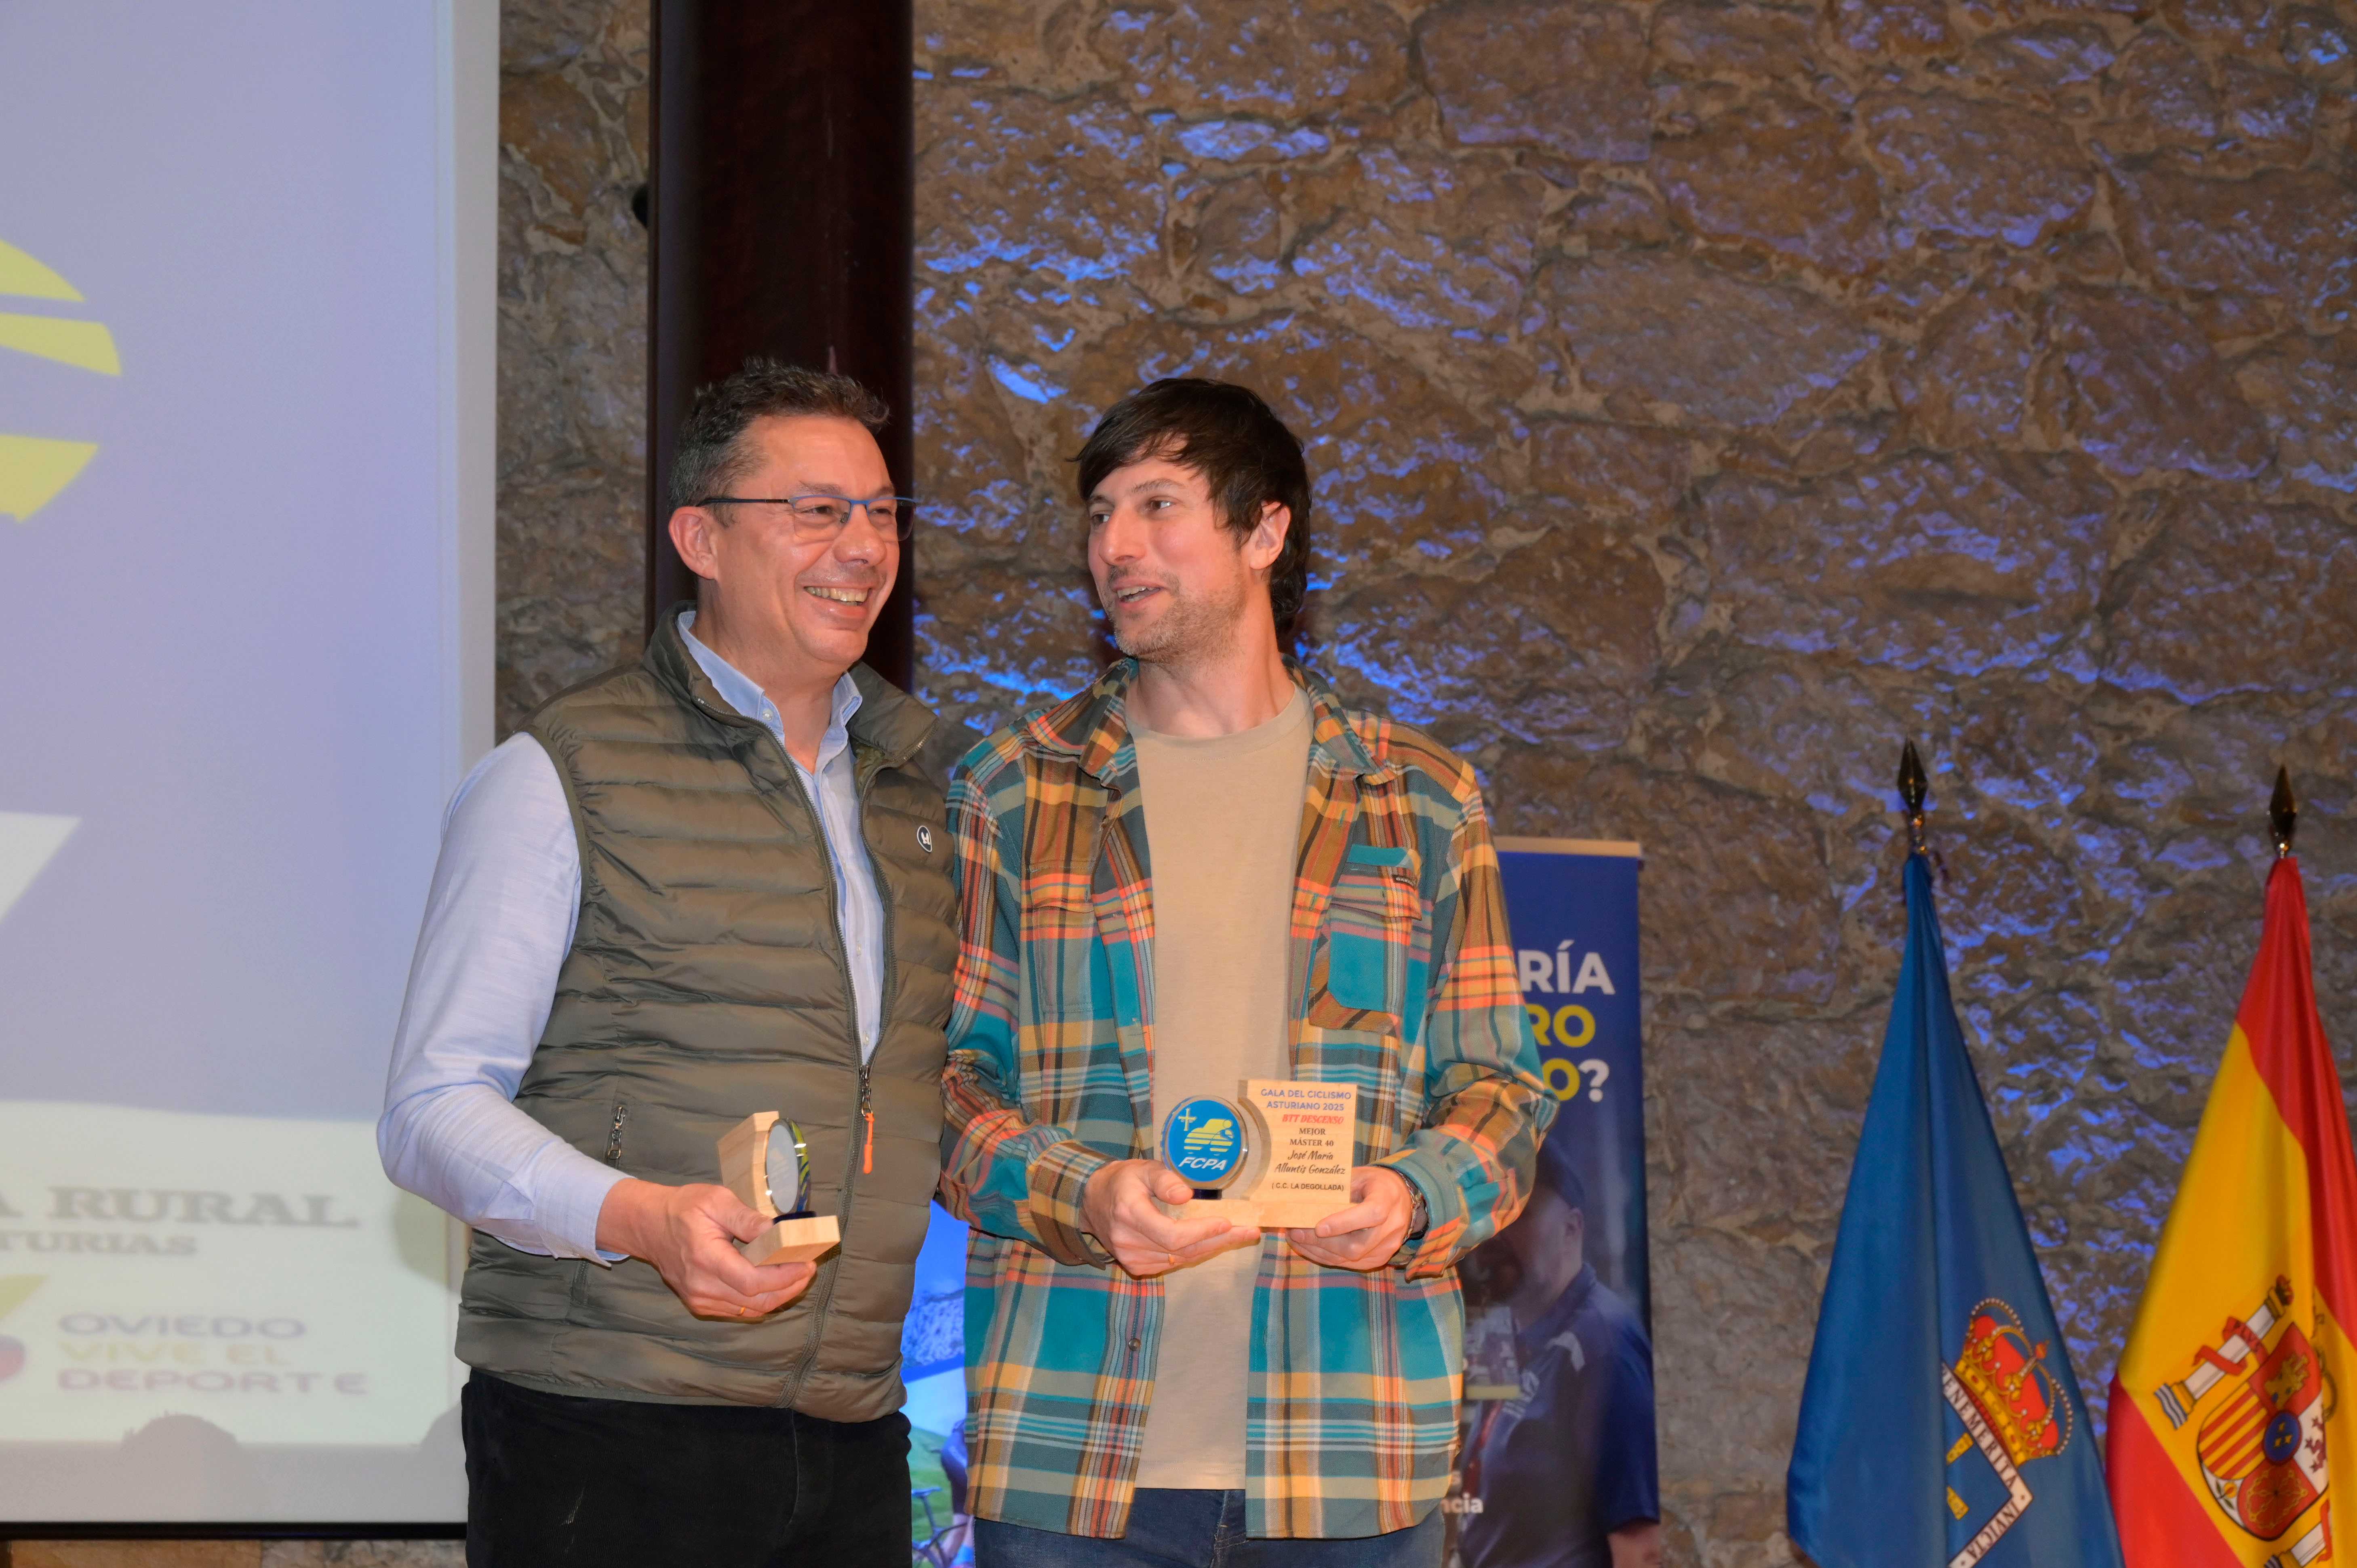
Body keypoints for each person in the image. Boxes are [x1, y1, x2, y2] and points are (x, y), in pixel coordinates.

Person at [938, 377, 1556, 1564]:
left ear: (1265, 529)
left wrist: (1415, 1198)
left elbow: (1502, 1094)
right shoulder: (1014, 789)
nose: (1116, 544)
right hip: (1074, 1456)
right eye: (1101, 512)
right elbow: (950, 1088)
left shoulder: (1420, 798)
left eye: (1158, 505)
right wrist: (1085, 1197)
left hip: (1350, 1450)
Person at [379, 360, 960, 1566]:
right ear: (700, 536)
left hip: (852, 1430)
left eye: (883, 513)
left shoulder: (917, 790)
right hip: (609, 1426)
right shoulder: (561, 771)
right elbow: (430, 1112)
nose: (863, 547)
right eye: (816, 511)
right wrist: (639, 1218)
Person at [1455, 1138, 1661, 1568]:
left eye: (1519, 1216)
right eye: (1493, 1218)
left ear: (1571, 1229)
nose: (1495, 1235)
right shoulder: (1503, 1325)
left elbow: (1637, 1542)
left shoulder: (1602, 1344)